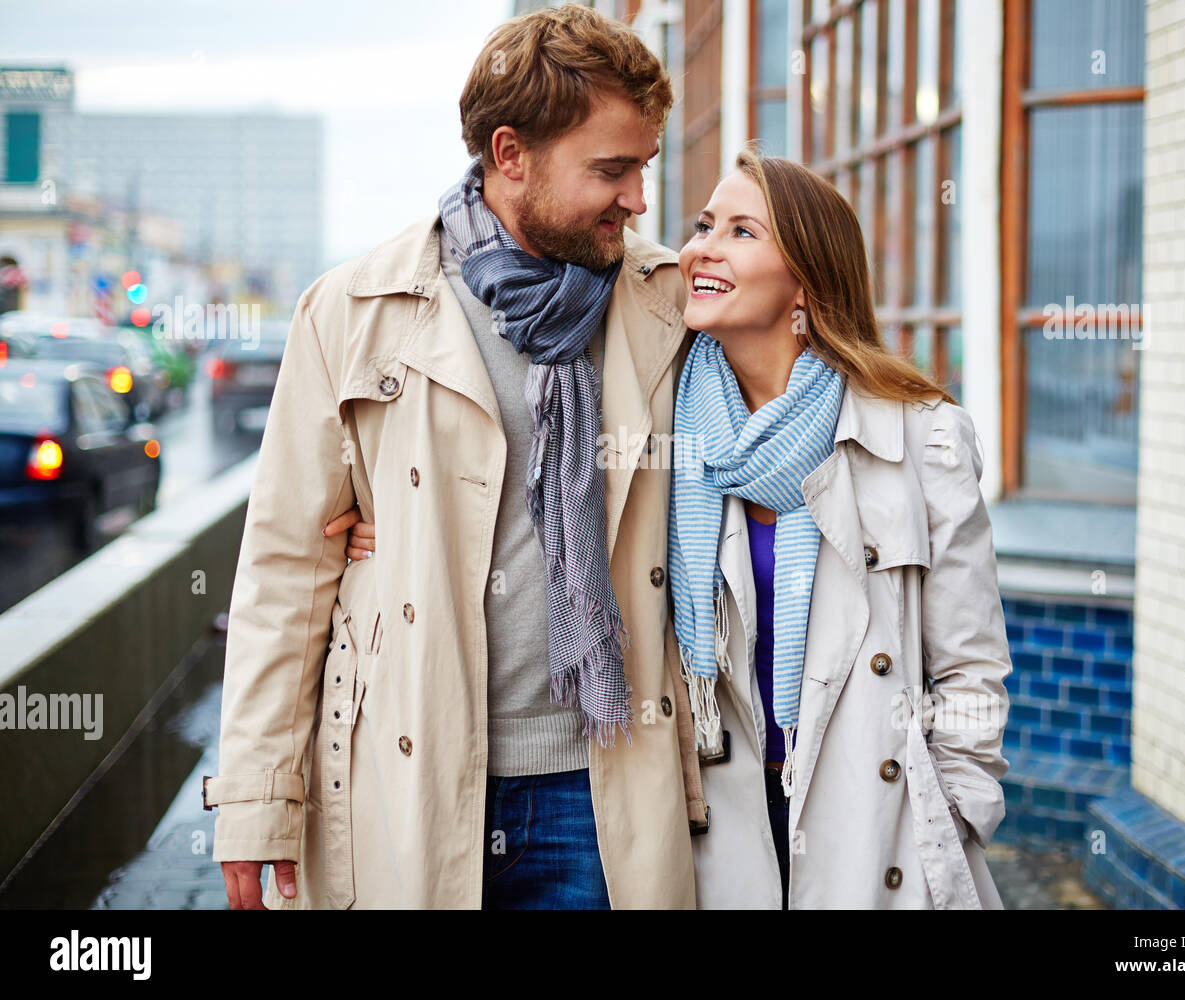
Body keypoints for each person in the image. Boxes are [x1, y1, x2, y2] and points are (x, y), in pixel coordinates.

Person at [340, 143, 1013, 909]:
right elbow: (553, 513)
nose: (698, 249)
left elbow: (971, 668)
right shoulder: (663, 422)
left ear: (807, 280)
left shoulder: (918, 439)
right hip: (722, 834)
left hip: (880, 834)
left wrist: (956, 814)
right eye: (703, 224)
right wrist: (389, 537)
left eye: (741, 232)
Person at [208, 3, 706, 910]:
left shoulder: (666, 301)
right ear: (510, 153)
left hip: (599, 787)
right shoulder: (354, 311)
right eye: (612, 168)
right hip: (408, 777)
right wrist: (254, 796)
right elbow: (285, 571)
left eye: (644, 166)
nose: (638, 198)